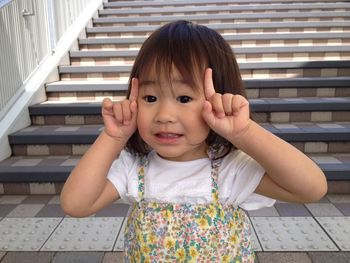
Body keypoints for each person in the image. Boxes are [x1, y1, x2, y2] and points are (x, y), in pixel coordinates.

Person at [60, 20, 327, 262]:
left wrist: (244, 132)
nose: (164, 116)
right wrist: (112, 137)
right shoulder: (134, 168)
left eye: (184, 98)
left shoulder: (229, 170)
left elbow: (311, 188)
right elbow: (75, 204)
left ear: (219, 99)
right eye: (150, 98)